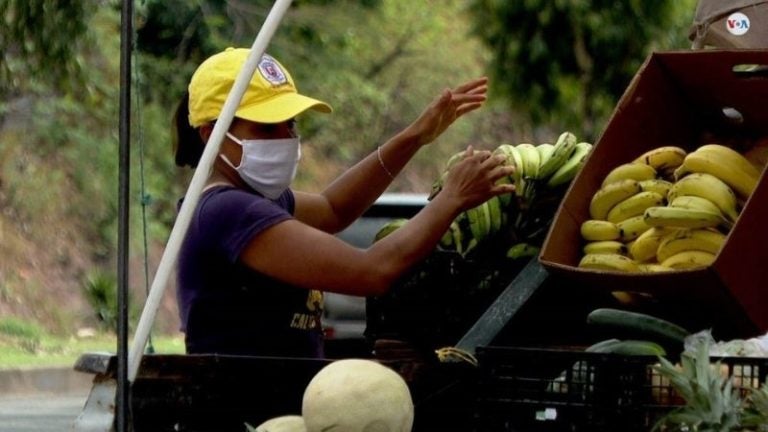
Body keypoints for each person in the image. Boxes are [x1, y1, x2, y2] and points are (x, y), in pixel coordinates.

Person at [171, 47, 514, 358]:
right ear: (211, 134)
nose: (286, 139)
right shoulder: (227, 211)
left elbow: (333, 209)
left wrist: (414, 137)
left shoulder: (255, 200)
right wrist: (452, 198)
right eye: (266, 128)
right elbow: (372, 272)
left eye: (290, 124)